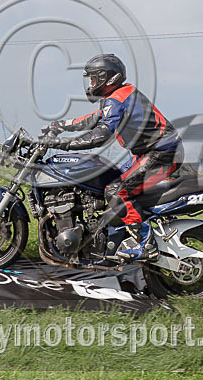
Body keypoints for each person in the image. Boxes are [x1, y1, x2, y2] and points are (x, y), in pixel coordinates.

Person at [39, 53, 182, 260]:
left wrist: (64, 144)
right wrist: (59, 126)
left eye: (94, 78)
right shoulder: (117, 96)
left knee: (117, 191)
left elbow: (100, 135)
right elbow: (91, 120)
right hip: (150, 153)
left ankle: (145, 244)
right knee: (108, 179)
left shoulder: (118, 98)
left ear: (108, 78)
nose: (91, 84)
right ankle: (114, 237)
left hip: (162, 154)